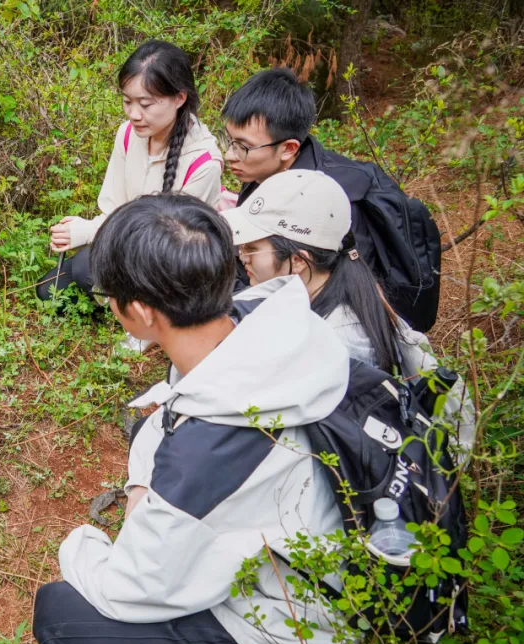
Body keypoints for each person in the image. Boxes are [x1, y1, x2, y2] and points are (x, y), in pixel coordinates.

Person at [33, 193, 351, 644]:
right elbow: (169, 415)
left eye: (106, 295)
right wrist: (143, 489)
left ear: (138, 311)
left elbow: (128, 588)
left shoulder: (205, 456)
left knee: (59, 616)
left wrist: (82, 541)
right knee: (146, 432)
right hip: (320, 568)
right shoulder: (265, 316)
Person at [221, 169, 475, 455]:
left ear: (298, 260)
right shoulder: (339, 290)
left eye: (251, 248)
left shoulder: (338, 339)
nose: (242, 257)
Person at [220, 67, 441, 331]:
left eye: (242, 146)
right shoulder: (263, 174)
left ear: (288, 148)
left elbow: (350, 292)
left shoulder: (339, 203)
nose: (229, 154)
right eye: (229, 140)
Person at [38, 40, 223, 350]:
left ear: (180, 98)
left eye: (146, 104)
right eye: (127, 102)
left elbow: (172, 247)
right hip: (126, 248)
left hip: (171, 266)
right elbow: (114, 208)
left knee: (87, 271)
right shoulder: (128, 134)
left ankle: (150, 324)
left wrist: (88, 232)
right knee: (50, 289)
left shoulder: (203, 161)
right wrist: (85, 228)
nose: (135, 114)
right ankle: (125, 309)